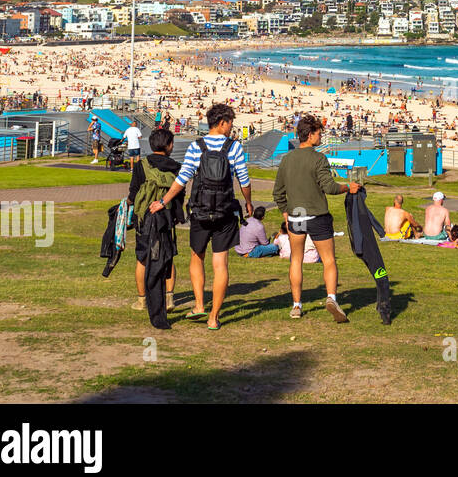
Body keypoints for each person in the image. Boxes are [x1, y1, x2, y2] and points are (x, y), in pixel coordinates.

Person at [151, 103, 253, 331]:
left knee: (197, 257)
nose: (231, 128)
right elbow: (244, 181)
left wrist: (163, 201)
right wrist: (248, 202)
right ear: (222, 123)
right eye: (230, 123)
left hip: (200, 210)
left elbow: (183, 178)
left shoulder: (196, 146)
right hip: (225, 212)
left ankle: (199, 305)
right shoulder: (234, 147)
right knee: (220, 263)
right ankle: (214, 317)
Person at [272, 114, 359, 321]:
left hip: (296, 216)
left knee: (296, 259)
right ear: (310, 135)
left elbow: (278, 193)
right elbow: (329, 187)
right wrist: (348, 187)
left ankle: (296, 305)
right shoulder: (319, 158)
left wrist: (286, 212)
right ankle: (331, 297)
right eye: (319, 133)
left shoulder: (286, 159)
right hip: (317, 215)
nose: (321, 137)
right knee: (329, 260)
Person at [129, 127, 183, 313]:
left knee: (142, 258)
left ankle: (142, 299)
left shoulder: (141, 165)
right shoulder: (176, 167)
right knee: (168, 257)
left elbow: (133, 192)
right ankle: (169, 298)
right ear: (168, 145)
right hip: (166, 216)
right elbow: (179, 195)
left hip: (145, 217)